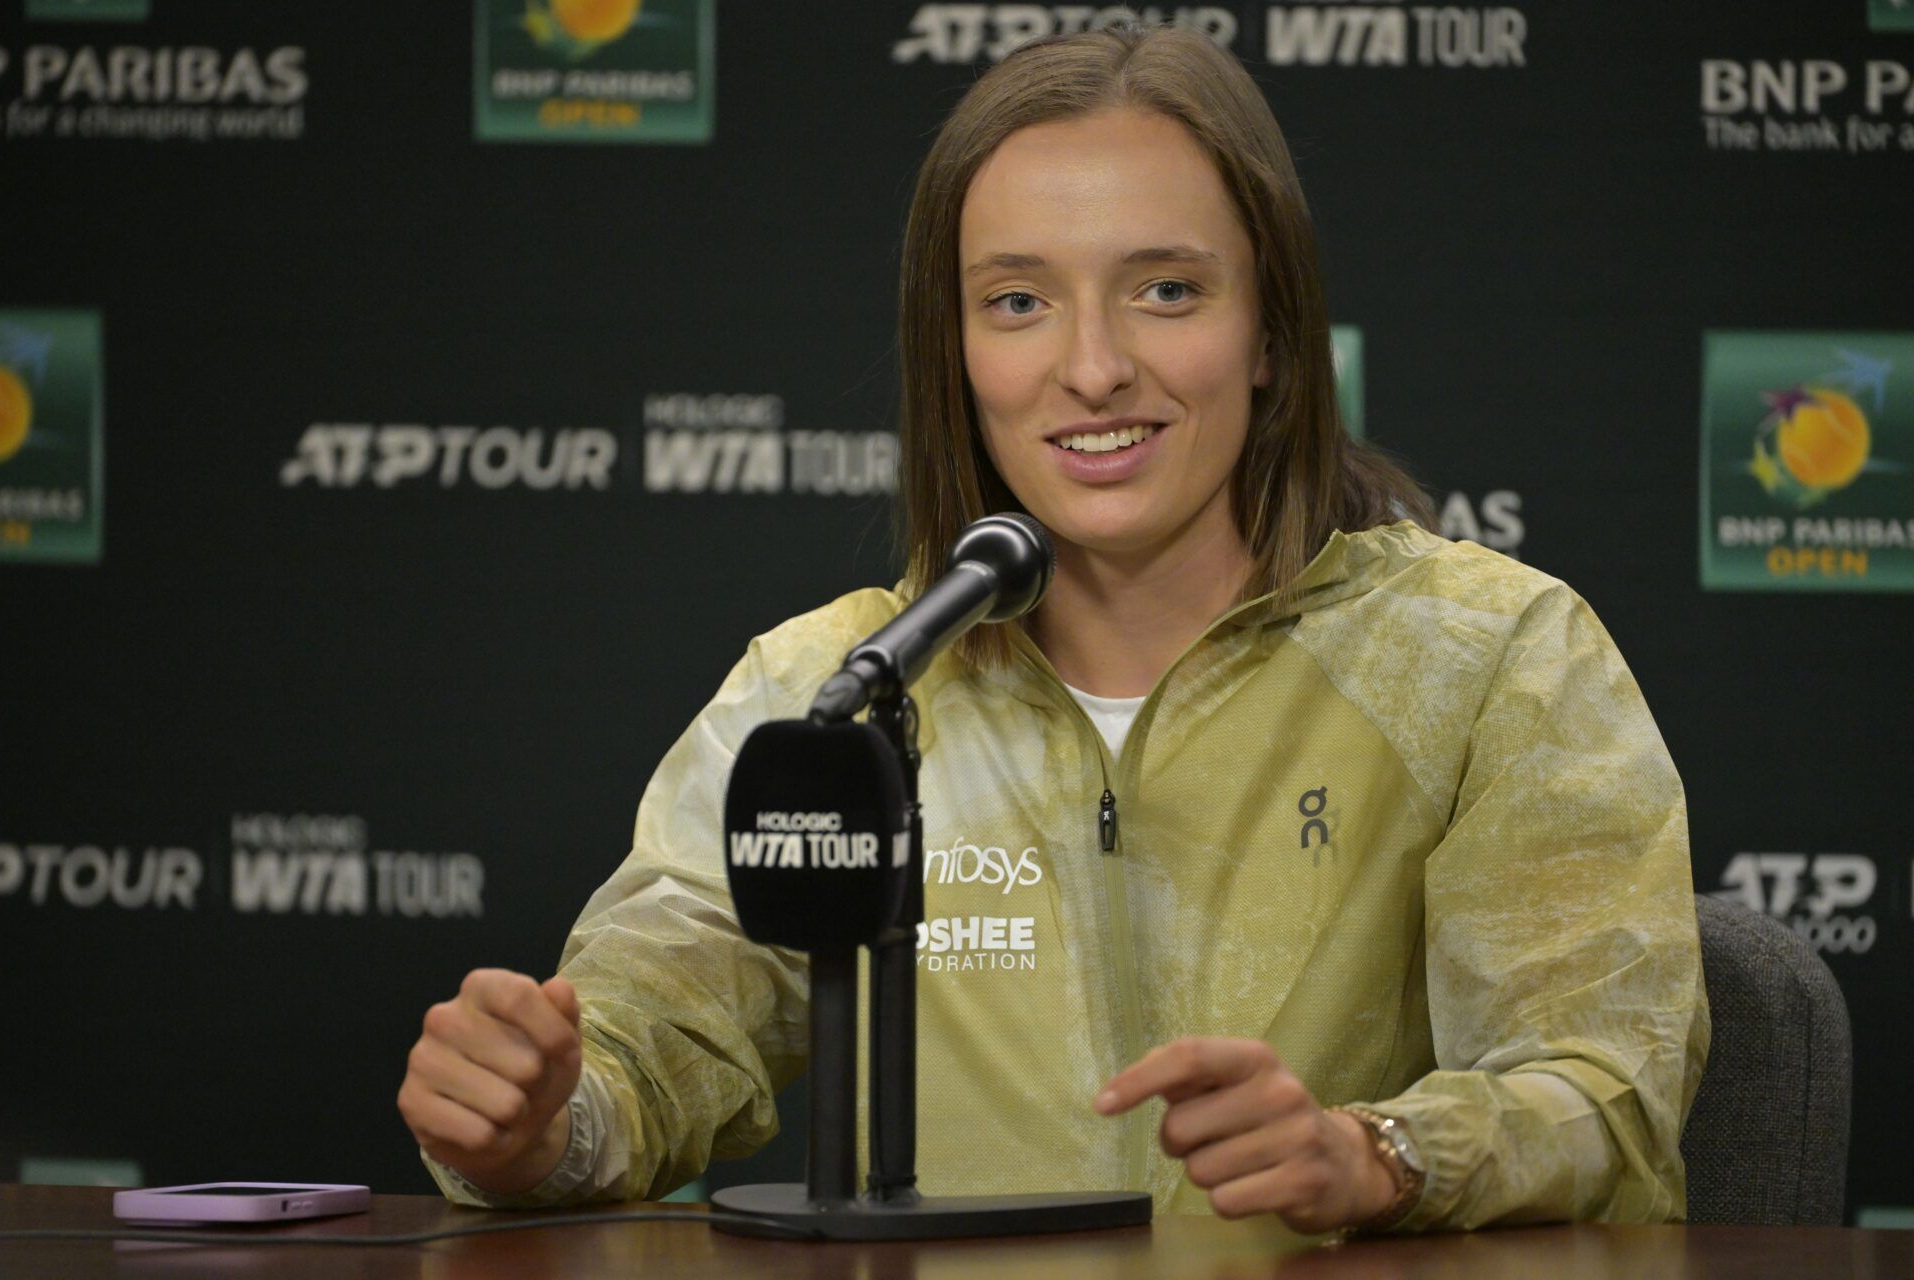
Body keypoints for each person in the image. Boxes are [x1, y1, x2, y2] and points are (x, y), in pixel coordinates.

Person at [396, 25, 1709, 1235]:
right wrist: (533, 1121)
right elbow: (643, 1039)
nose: (1092, 368)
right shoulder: (830, 692)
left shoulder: (1489, 658)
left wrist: (1378, 1155)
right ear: (954, 350)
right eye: (1018, 301)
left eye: (1167, 291)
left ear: (1272, 333)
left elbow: (1604, 1092)